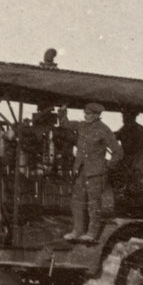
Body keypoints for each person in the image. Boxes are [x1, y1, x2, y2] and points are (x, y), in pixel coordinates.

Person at [58, 102, 123, 242]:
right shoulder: (81, 126)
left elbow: (118, 152)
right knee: (77, 200)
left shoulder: (104, 130)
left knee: (94, 203)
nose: (85, 116)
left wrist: (107, 167)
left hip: (96, 173)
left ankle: (92, 233)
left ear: (96, 115)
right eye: (85, 114)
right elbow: (65, 124)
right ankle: (77, 230)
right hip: (81, 171)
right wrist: (62, 111)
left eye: (88, 114)